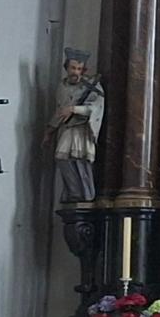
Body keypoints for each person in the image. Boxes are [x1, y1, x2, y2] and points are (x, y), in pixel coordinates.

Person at [50, 51, 104, 204]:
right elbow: (60, 110)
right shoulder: (62, 86)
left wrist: (74, 109)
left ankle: (86, 194)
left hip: (82, 128)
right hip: (67, 128)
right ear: (67, 68)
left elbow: (97, 108)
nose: (76, 72)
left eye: (79, 69)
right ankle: (74, 192)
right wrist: (49, 131)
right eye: (73, 68)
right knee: (61, 158)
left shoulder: (92, 85)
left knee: (80, 160)